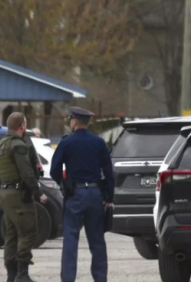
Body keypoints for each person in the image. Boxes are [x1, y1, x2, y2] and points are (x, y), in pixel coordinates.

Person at [50, 107, 114, 282]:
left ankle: (68, 279)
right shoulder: (99, 142)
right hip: (95, 194)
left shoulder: (66, 143)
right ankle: (100, 278)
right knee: (97, 241)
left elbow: (54, 169)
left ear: (75, 121)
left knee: (71, 239)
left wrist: (64, 185)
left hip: (75, 195)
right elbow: (109, 172)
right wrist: (109, 198)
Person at [0, 112, 49, 282]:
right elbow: (26, 172)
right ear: (22, 126)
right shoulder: (18, 145)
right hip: (19, 196)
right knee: (28, 233)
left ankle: (11, 275)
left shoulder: (1, 144)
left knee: (11, 235)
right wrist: (38, 193)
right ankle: (22, 275)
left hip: (5, 194)